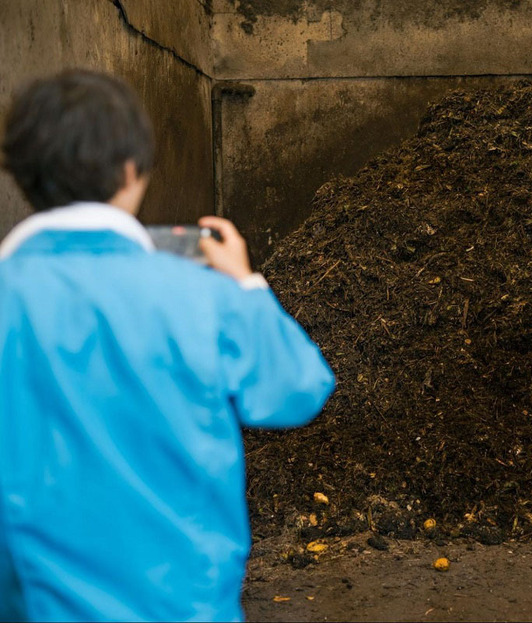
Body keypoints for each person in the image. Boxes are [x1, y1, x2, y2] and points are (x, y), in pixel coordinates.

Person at [0, 70, 335, 621]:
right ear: (134, 170)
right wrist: (247, 286)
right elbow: (296, 389)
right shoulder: (203, 297)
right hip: (184, 605)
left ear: (22, 172)